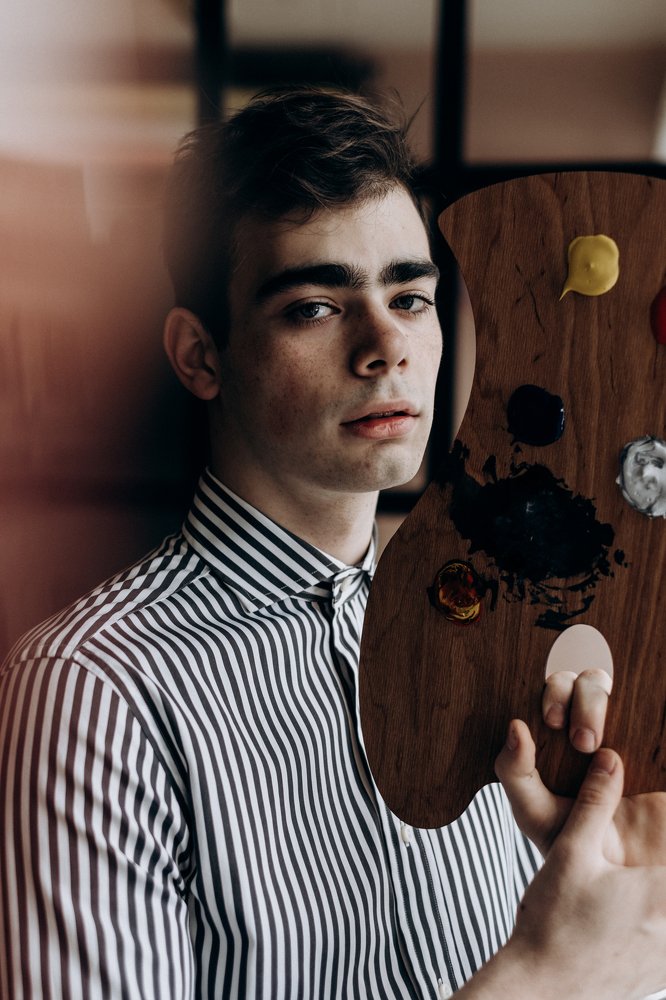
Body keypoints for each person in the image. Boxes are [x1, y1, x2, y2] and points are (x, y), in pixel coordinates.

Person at [0, 86, 664, 1000]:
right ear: (200, 356)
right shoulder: (91, 693)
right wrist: (548, 975)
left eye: (411, 296)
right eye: (315, 306)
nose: (387, 345)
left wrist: (602, 877)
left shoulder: (493, 641)